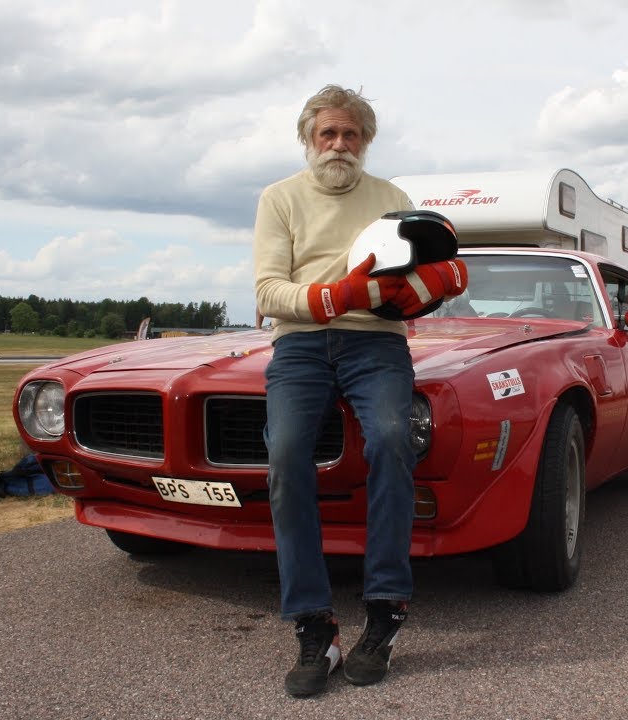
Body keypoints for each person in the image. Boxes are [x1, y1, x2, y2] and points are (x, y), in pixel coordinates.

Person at [252, 84, 468, 698]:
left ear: (366, 141)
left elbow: (427, 269)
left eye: (351, 134)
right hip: (299, 343)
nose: (339, 144)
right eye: (328, 133)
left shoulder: (392, 199)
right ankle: (314, 624)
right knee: (285, 455)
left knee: (394, 440)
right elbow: (267, 290)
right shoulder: (279, 198)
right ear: (308, 139)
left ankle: (385, 609)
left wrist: (436, 281)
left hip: (376, 343)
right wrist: (332, 296)